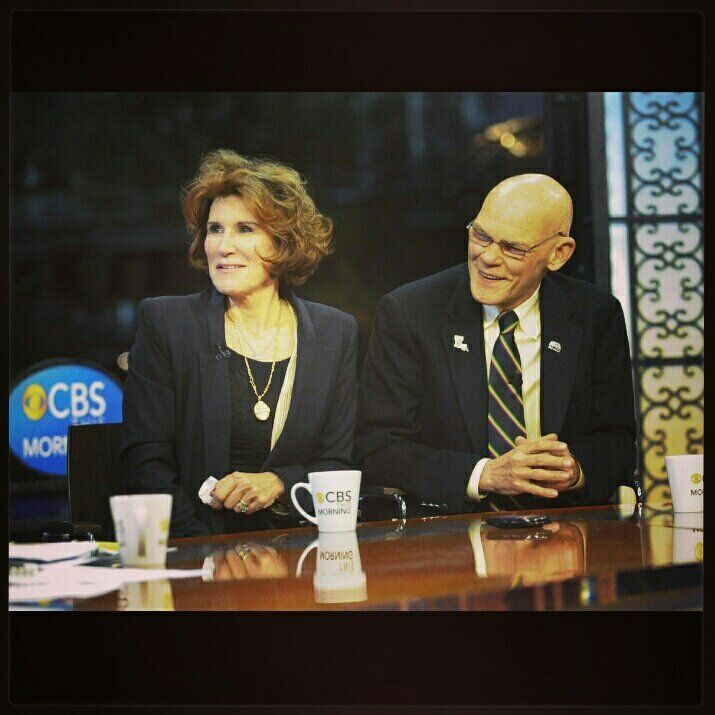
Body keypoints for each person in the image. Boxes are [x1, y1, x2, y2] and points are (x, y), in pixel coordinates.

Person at [356, 174, 637, 514]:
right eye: (481, 235)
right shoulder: (411, 313)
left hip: (563, 525)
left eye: (513, 248)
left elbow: (618, 443)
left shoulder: (596, 315)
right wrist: (484, 475)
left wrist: (573, 470)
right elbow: (376, 446)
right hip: (449, 531)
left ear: (559, 254)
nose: (487, 257)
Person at [121, 150, 358, 536]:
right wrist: (208, 554)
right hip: (196, 550)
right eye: (215, 229)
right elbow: (145, 467)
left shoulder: (335, 332)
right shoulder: (167, 323)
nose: (222, 246)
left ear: (283, 243)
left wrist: (279, 483)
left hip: (296, 551)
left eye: (244, 229)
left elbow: (337, 465)